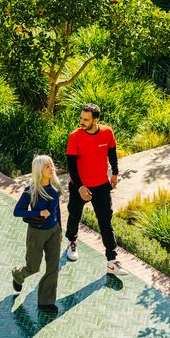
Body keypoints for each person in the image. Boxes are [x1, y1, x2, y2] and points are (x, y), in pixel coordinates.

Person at [64, 103, 128, 276]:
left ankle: (112, 261)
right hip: (79, 185)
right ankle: (72, 241)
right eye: (81, 118)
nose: (82, 122)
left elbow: (112, 152)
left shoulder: (107, 132)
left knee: (106, 221)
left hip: (101, 186)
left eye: (86, 119)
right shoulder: (75, 136)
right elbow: (71, 165)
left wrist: (115, 173)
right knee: (75, 215)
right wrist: (80, 187)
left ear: (96, 119)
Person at [12, 155, 63, 312]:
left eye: (51, 165)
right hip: (37, 233)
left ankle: (46, 302)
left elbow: (57, 210)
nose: (51, 168)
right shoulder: (31, 191)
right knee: (33, 267)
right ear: (39, 170)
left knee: (53, 268)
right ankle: (18, 275)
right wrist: (38, 213)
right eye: (47, 166)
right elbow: (17, 212)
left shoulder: (54, 189)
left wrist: (60, 229)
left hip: (54, 231)